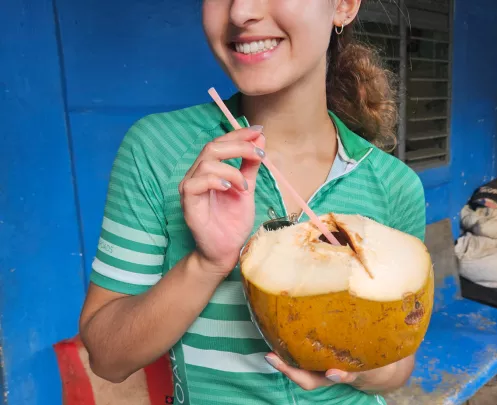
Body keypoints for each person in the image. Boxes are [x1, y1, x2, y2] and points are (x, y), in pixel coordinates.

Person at [79, 0, 427, 404]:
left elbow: (399, 364)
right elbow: (107, 358)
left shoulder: (395, 184)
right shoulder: (159, 150)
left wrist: (350, 371)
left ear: (344, 6)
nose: (240, 11)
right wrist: (206, 263)